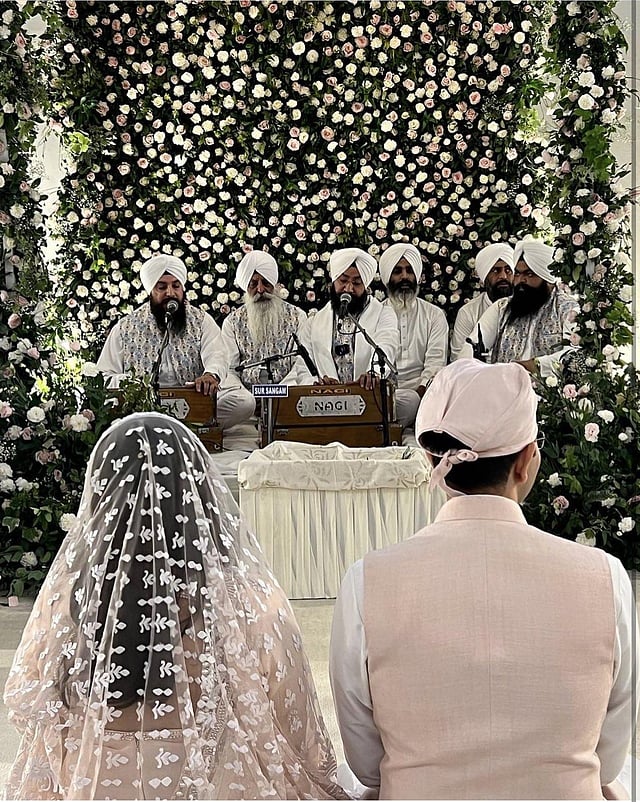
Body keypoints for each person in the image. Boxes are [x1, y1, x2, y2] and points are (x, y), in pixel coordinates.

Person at [330, 359, 638, 800]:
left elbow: (366, 765)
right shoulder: (605, 577)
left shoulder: (367, 580)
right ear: (526, 461)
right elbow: (607, 760)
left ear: (430, 459)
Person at [4, 413, 348, 800]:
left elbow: (30, 718)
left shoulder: (65, 602)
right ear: (201, 497)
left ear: (101, 499)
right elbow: (298, 736)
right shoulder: (249, 606)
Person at [96, 254, 251, 429]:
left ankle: (188, 427)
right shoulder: (126, 327)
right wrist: (131, 383)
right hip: (144, 407)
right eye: (162, 287)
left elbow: (217, 354)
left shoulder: (200, 320)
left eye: (176, 286)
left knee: (243, 403)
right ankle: (184, 429)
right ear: (151, 291)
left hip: (192, 403)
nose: (170, 293)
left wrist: (211, 374)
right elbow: (105, 376)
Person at [459, 239, 579, 377]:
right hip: (503, 386)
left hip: (549, 389)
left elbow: (574, 353)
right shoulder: (502, 308)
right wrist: (467, 368)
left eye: (529, 274)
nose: (521, 280)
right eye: (517, 273)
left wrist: (531, 366)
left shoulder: (567, 308)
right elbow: (472, 344)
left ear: (546, 277)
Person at [218, 251, 307, 423]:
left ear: (274, 284)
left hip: (287, 393)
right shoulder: (233, 322)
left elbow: (301, 364)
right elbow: (229, 368)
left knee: (305, 385)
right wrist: (246, 396)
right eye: (253, 284)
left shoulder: (297, 316)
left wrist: (278, 395)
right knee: (242, 403)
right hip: (247, 400)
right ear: (246, 287)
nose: (260, 290)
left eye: (266, 283)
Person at [295, 247, 398, 389]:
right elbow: (303, 367)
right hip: (326, 399)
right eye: (343, 281)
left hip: (370, 394)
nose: (348, 288)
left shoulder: (383, 314)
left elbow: (386, 345)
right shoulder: (313, 323)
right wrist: (316, 383)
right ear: (333, 282)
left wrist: (373, 373)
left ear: (366, 286)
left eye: (356, 283)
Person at [379, 243, 448, 429]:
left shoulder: (434, 315)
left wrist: (421, 393)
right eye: (397, 271)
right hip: (382, 395)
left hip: (423, 393)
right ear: (387, 278)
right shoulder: (376, 315)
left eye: (409, 271)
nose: (404, 277)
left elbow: (436, 362)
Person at [449, 242, 515, 361]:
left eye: (508, 270)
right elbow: (458, 360)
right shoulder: (468, 313)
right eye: (496, 270)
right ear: (484, 276)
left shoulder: (526, 307)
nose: (503, 276)